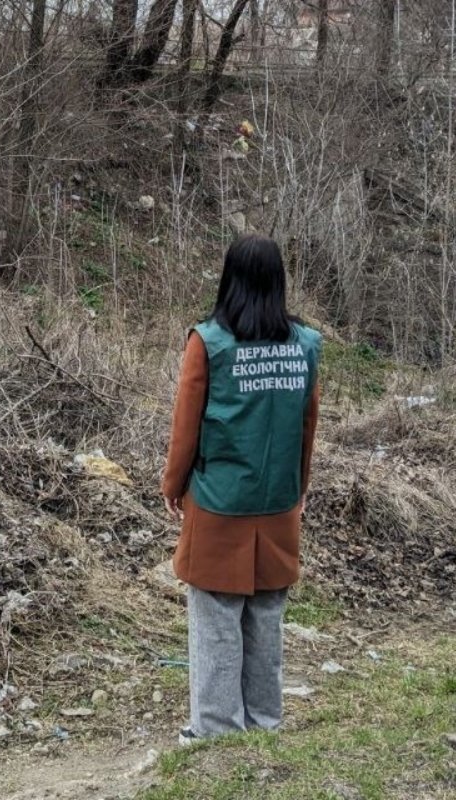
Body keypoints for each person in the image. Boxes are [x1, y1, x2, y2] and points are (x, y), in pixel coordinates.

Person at [161, 233, 322, 746]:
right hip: (278, 502)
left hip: (219, 502)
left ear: (229, 278)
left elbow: (187, 427)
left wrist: (172, 484)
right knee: (267, 615)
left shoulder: (208, 342)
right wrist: (298, 487)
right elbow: (307, 427)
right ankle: (264, 722)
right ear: (278, 282)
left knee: (214, 615)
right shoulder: (306, 346)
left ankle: (215, 728)